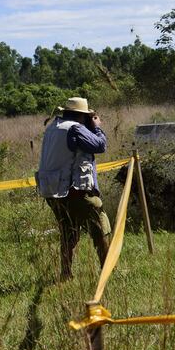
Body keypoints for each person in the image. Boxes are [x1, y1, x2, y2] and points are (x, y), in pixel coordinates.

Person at [36, 97, 110, 281]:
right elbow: (100, 145)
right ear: (81, 116)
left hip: (53, 191)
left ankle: (66, 274)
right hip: (75, 191)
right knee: (101, 228)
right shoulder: (75, 128)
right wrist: (97, 126)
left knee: (68, 233)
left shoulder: (53, 127)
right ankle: (108, 272)